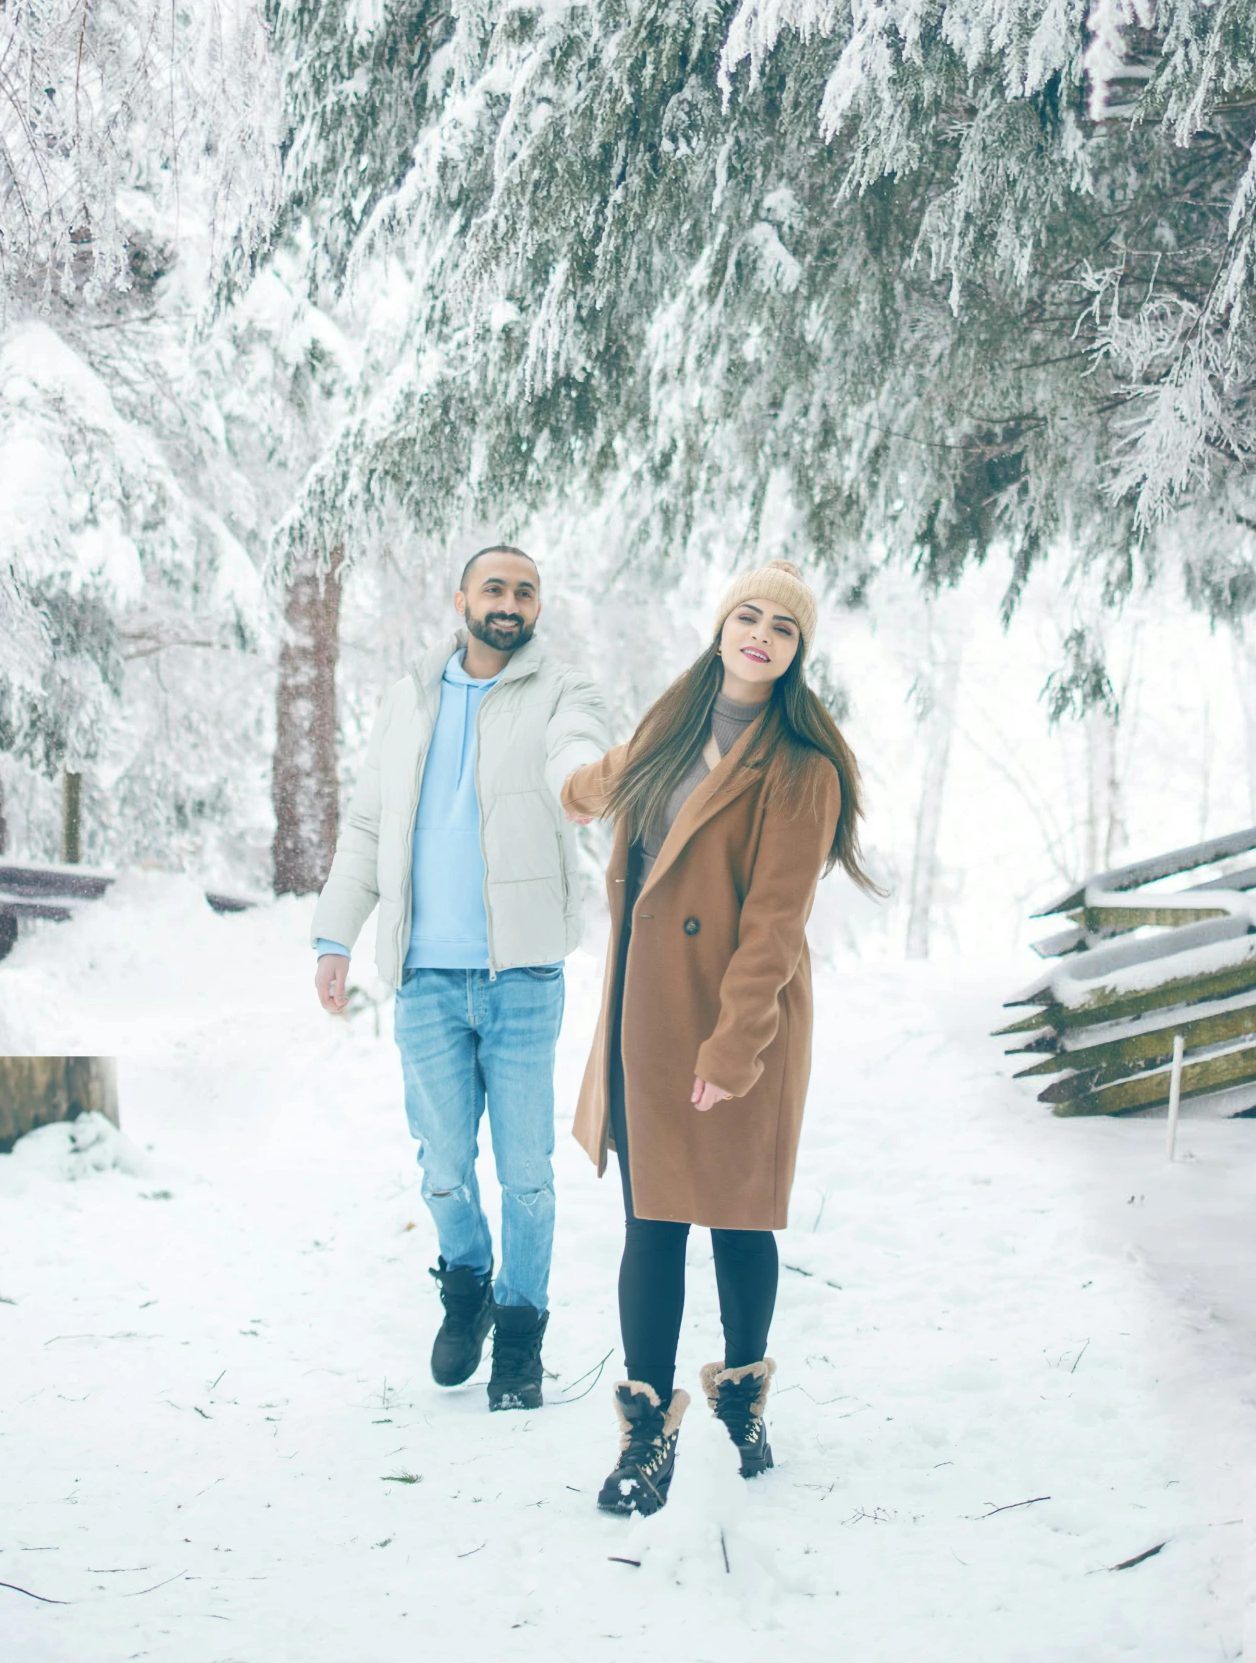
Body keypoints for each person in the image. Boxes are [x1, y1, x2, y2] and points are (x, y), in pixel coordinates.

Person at [563, 559, 870, 1516]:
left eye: (783, 627)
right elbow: (588, 793)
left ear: (795, 654)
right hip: (648, 1008)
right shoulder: (668, 727)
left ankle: (741, 1398)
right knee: (652, 1217)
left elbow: (775, 922)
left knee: (737, 1216)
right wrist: (576, 771)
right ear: (721, 626)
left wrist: (733, 1048)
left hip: (745, 1010)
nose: (761, 635)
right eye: (748, 615)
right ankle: (644, 1437)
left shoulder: (803, 770)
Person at [312, 547, 609, 1409]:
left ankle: (519, 1334)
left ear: (537, 606)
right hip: (425, 978)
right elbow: (369, 821)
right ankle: (468, 1282)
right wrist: (336, 933)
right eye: (495, 587)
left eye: (524, 590)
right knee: (442, 1166)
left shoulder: (561, 691)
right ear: (462, 600)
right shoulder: (409, 699)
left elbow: (576, 752)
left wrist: (584, 783)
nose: (509, 602)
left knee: (526, 1172)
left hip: (520, 975)